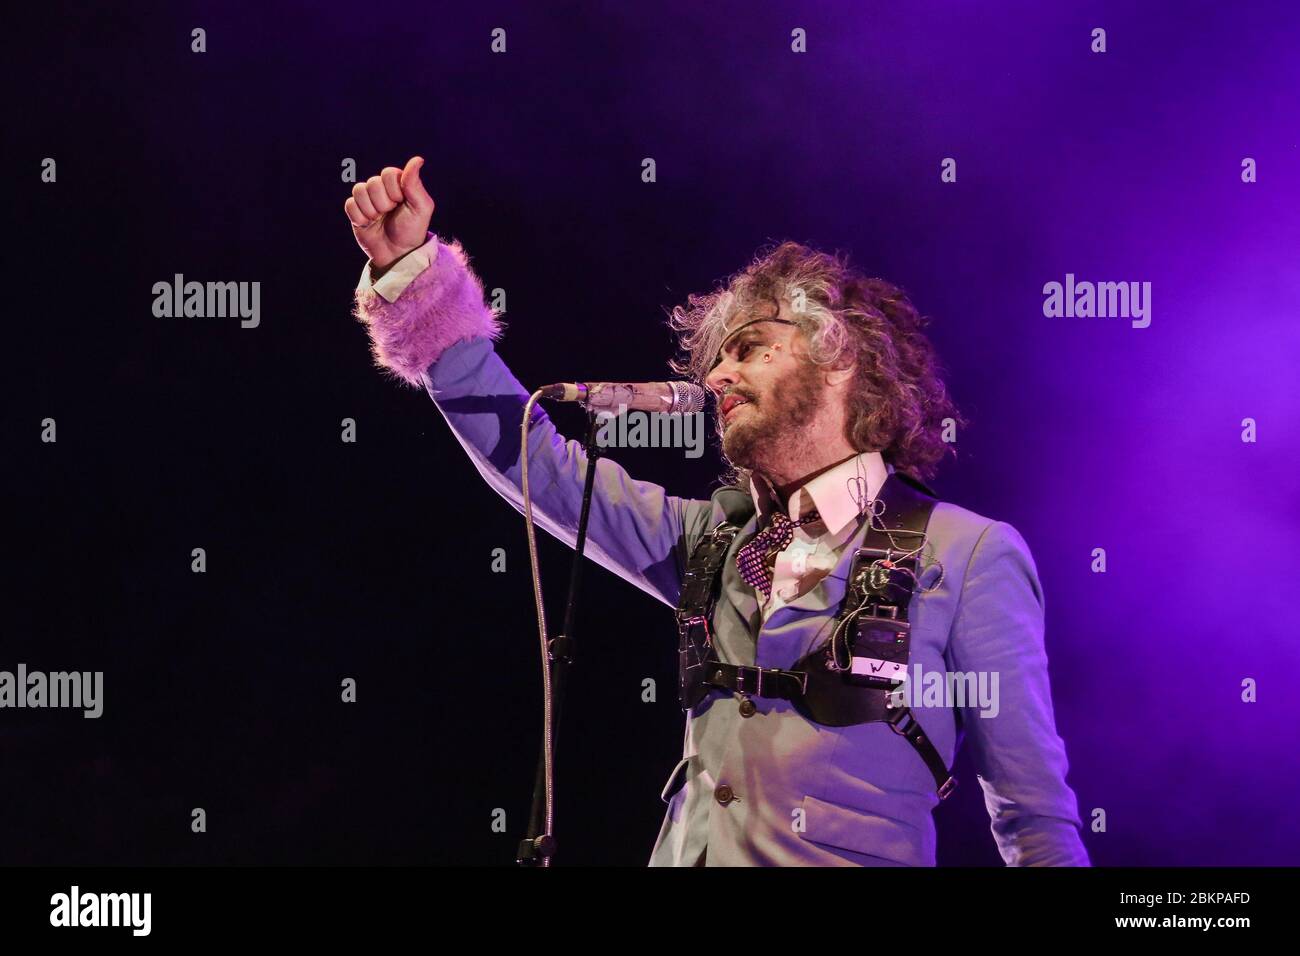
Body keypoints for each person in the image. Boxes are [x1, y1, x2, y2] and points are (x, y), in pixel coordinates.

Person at [344, 156, 1091, 867]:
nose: (720, 375)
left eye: (750, 347)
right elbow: (538, 467)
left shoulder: (968, 552)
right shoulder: (711, 540)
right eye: (718, 358)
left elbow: (1032, 811)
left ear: (839, 358)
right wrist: (413, 281)